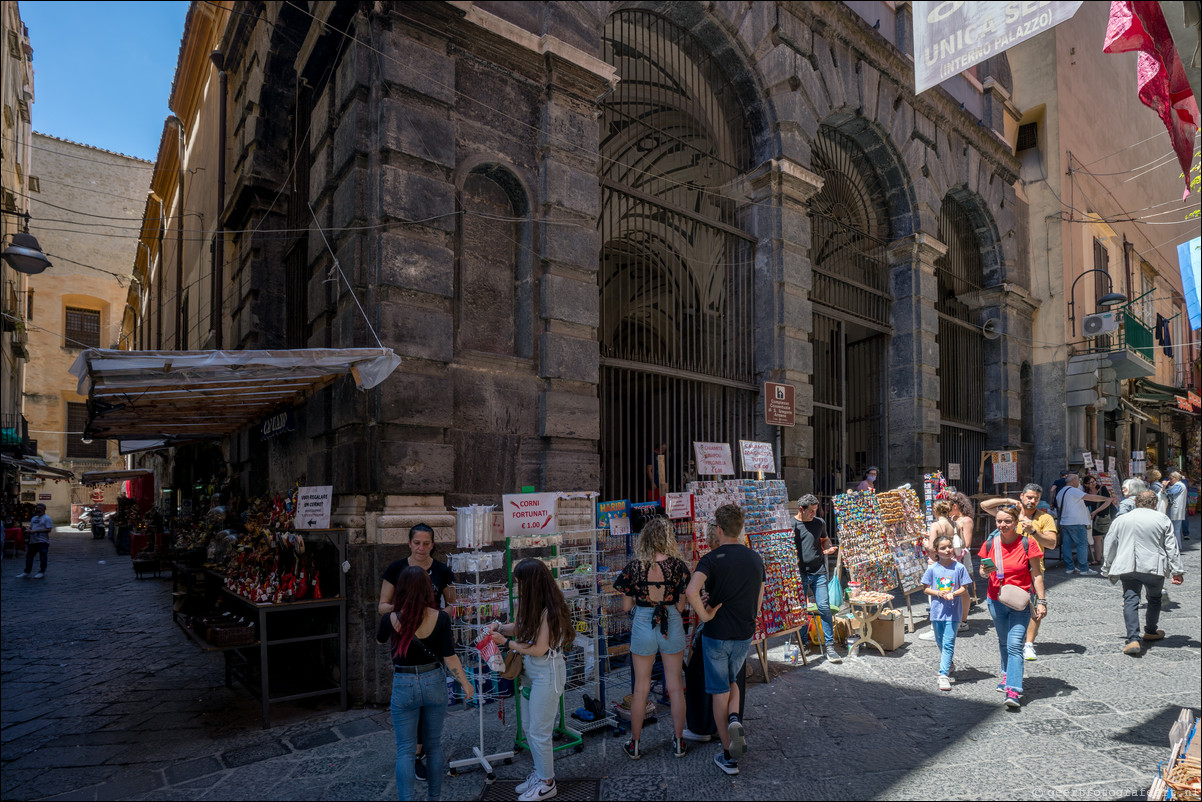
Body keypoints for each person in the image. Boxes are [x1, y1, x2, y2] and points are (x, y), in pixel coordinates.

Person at [377, 566, 473, 802]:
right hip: (434, 682)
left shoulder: (390, 618)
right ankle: (434, 797)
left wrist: (394, 617)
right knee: (434, 747)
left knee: (405, 751)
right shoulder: (440, 617)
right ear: (427, 590)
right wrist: (465, 683)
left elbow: (380, 641)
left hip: (404, 682)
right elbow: (450, 657)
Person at [686, 504, 764, 776]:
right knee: (733, 681)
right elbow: (759, 601)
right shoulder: (755, 559)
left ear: (718, 529)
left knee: (719, 690)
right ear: (739, 528)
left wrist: (705, 616)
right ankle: (734, 719)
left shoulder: (711, 559)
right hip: (743, 633)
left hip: (717, 634)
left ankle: (729, 754)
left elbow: (691, 590)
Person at [489, 559, 573, 802]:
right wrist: (500, 628)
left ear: (532, 583)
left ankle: (548, 782)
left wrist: (505, 642)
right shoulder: (531, 604)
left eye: (521, 583)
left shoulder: (550, 609)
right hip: (531, 672)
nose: (519, 588)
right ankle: (540, 773)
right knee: (529, 728)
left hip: (547, 672)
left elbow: (539, 649)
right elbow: (519, 627)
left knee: (539, 730)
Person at [379, 524, 457, 783]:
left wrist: (436, 616)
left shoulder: (443, 570)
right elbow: (382, 606)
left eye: (426, 543)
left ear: (433, 544)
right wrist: (406, 612)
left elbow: (453, 606)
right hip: (406, 641)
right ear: (409, 543)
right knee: (412, 701)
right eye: (417, 543)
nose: (421, 548)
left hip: (433, 640)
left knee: (427, 705)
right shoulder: (396, 569)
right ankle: (412, 755)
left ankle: (417, 754)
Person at [613, 516, 691, 760]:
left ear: (644, 539)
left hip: (644, 623)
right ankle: (679, 742)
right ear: (668, 539)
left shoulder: (634, 567)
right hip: (672, 623)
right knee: (676, 687)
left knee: (641, 687)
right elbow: (680, 607)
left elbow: (626, 607)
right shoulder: (679, 567)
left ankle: (635, 744)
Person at [978, 504, 1047, 710]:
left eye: (1008, 521)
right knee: (1002, 639)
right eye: (999, 521)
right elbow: (984, 573)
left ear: (1016, 523)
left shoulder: (1027, 543)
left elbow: (1036, 574)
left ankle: (1013, 689)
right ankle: (1007, 673)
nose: (1003, 525)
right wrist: (983, 571)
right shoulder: (991, 543)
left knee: (1015, 644)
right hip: (996, 599)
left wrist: (1042, 601)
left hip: (1020, 602)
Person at [1101, 490, 1185, 655]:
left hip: (1127, 565)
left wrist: (1107, 565)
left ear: (1136, 502)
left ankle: (1133, 639)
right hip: (1153, 566)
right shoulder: (1162, 519)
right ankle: (1151, 631)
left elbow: (1110, 543)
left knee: (1130, 599)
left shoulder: (1121, 519)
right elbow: (1171, 547)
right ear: (1155, 504)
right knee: (1154, 599)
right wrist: (1177, 571)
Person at [982, 484, 1057, 661]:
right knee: (1007, 604)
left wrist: (1033, 531)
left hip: (1033, 568)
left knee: (1032, 606)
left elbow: (1052, 543)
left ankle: (1028, 644)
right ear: (1022, 496)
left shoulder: (1045, 518)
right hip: (1008, 568)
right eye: (1029, 497)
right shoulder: (1012, 513)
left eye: (1036, 498)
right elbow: (985, 506)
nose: (1032, 501)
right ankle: (1014, 639)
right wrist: (1008, 500)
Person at [792, 494, 840, 663]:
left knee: (824, 606)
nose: (814, 514)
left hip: (819, 571)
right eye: (811, 511)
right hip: (800, 573)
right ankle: (802, 643)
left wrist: (828, 548)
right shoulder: (792, 525)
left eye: (816, 510)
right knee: (801, 610)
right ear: (801, 509)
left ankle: (830, 646)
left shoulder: (819, 522)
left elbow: (825, 539)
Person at [921, 534, 972, 691]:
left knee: (949, 642)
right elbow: (926, 588)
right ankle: (949, 663)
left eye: (950, 546)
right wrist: (939, 593)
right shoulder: (933, 569)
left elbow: (964, 587)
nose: (948, 550)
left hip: (953, 612)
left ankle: (943, 675)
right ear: (936, 551)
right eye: (943, 548)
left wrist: (954, 593)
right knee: (940, 641)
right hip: (937, 612)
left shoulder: (959, 568)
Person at [1054, 473, 1111, 575]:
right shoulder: (1073, 490)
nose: (1079, 483)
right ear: (1073, 481)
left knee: (1066, 545)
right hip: (1076, 522)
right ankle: (1084, 569)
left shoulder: (1060, 492)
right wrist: (1105, 499)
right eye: (1077, 480)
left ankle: (1070, 567)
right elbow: (1089, 497)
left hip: (1065, 522)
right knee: (1082, 545)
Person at [948, 492, 976, 629]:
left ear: (955, 506)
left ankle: (963, 621)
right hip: (951, 557)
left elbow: (967, 543)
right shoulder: (951, 518)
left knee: (963, 589)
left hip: (962, 557)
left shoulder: (966, 520)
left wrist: (957, 529)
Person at [1083, 475, 1113, 566]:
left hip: (1107, 515)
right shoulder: (1086, 493)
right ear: (1086, 485)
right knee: (1097, 538)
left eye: (1094, 481)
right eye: (1091, 482)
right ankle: (1098, 559)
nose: (1094, 483)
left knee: (1108, 537)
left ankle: (1111, 558)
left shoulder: (1102, 489)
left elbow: (1108, 501)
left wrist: (1096, 511)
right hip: (1095, 518)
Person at [17, 503, 53, 579]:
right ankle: (26, 572)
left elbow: (49, 529)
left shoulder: (47, 518)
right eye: (37, 508)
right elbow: (31, 528)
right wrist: (28, 530)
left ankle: (41, 572)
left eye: (40, 508)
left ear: (44, 509)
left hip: (43, 541)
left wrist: (36, 531)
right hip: (33, 541)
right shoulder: (34, 518)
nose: (38, 509)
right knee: (29, 557)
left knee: (42, 557)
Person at [1165, 471, 1188, 548]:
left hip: (1176, 509)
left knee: (1175, 529)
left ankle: (1176, 546)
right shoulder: (1180, 485)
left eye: (1171, 479)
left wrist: (1164, 488)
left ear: (1177, 478)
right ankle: (1178, 546)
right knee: (1176, 528)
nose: (1169, 481)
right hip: (1178, 509)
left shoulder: (1178, 485)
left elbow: (1171, 492)